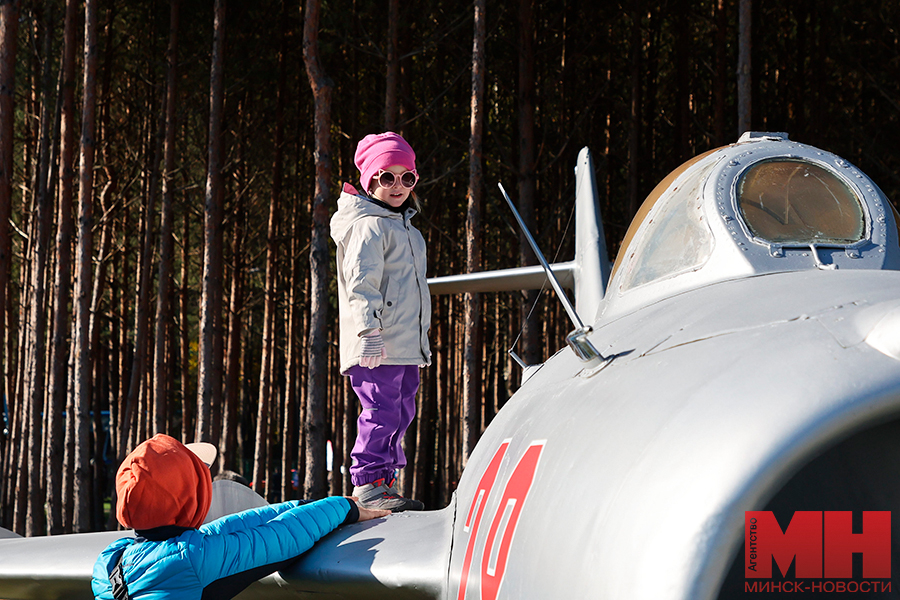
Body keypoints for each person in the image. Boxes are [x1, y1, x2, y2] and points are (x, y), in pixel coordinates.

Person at [92, 434, 388, 600]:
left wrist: (304, 504)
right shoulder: (192, 559)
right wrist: (346, 508)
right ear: (189, 498)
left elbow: (235, 526)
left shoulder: (111, 559)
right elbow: (281, 538)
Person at [330, 132, 432, 512]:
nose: (398, 186)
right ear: (370, 179)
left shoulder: (409, 231)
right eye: (387, 177)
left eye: (408, 178)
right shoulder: (368, 226)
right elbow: (361, 282)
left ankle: (385, 482)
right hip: (378, 344)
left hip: (404, 344)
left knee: (402, 411)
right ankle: (368, 480)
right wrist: (369, 332)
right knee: (380, 410)